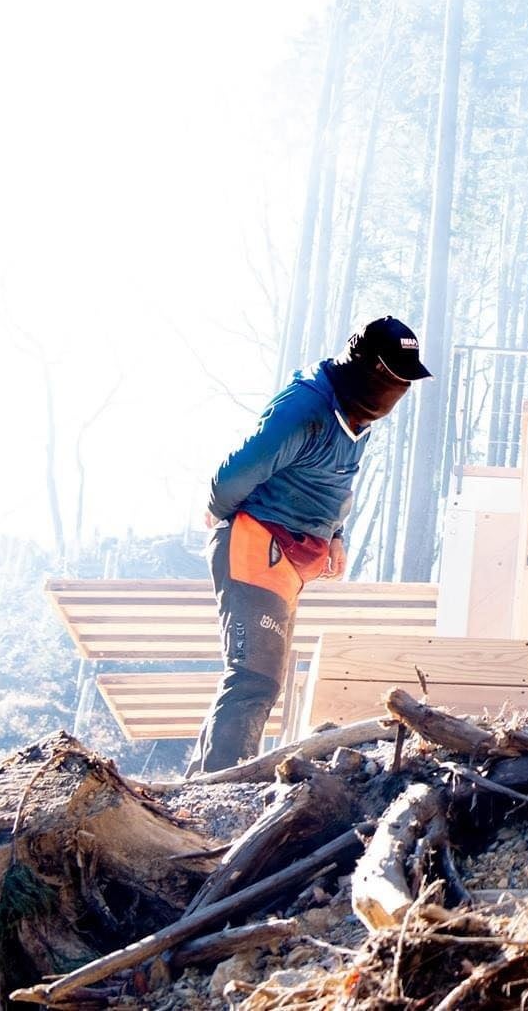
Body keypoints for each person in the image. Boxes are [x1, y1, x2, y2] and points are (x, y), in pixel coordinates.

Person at [189, 317, 429, 773]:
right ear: (365, 367)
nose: (398, 388)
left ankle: (201, 787)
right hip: (255, 541)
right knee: (254, 678)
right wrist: (216, 508)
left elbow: (331, 486)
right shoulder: (306, 409)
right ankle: (221, 787)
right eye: (392, 376)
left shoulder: (357, 417)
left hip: (287, 557)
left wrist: (334, 534)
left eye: (405, 380)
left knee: (259, 677)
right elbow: (238, 471)